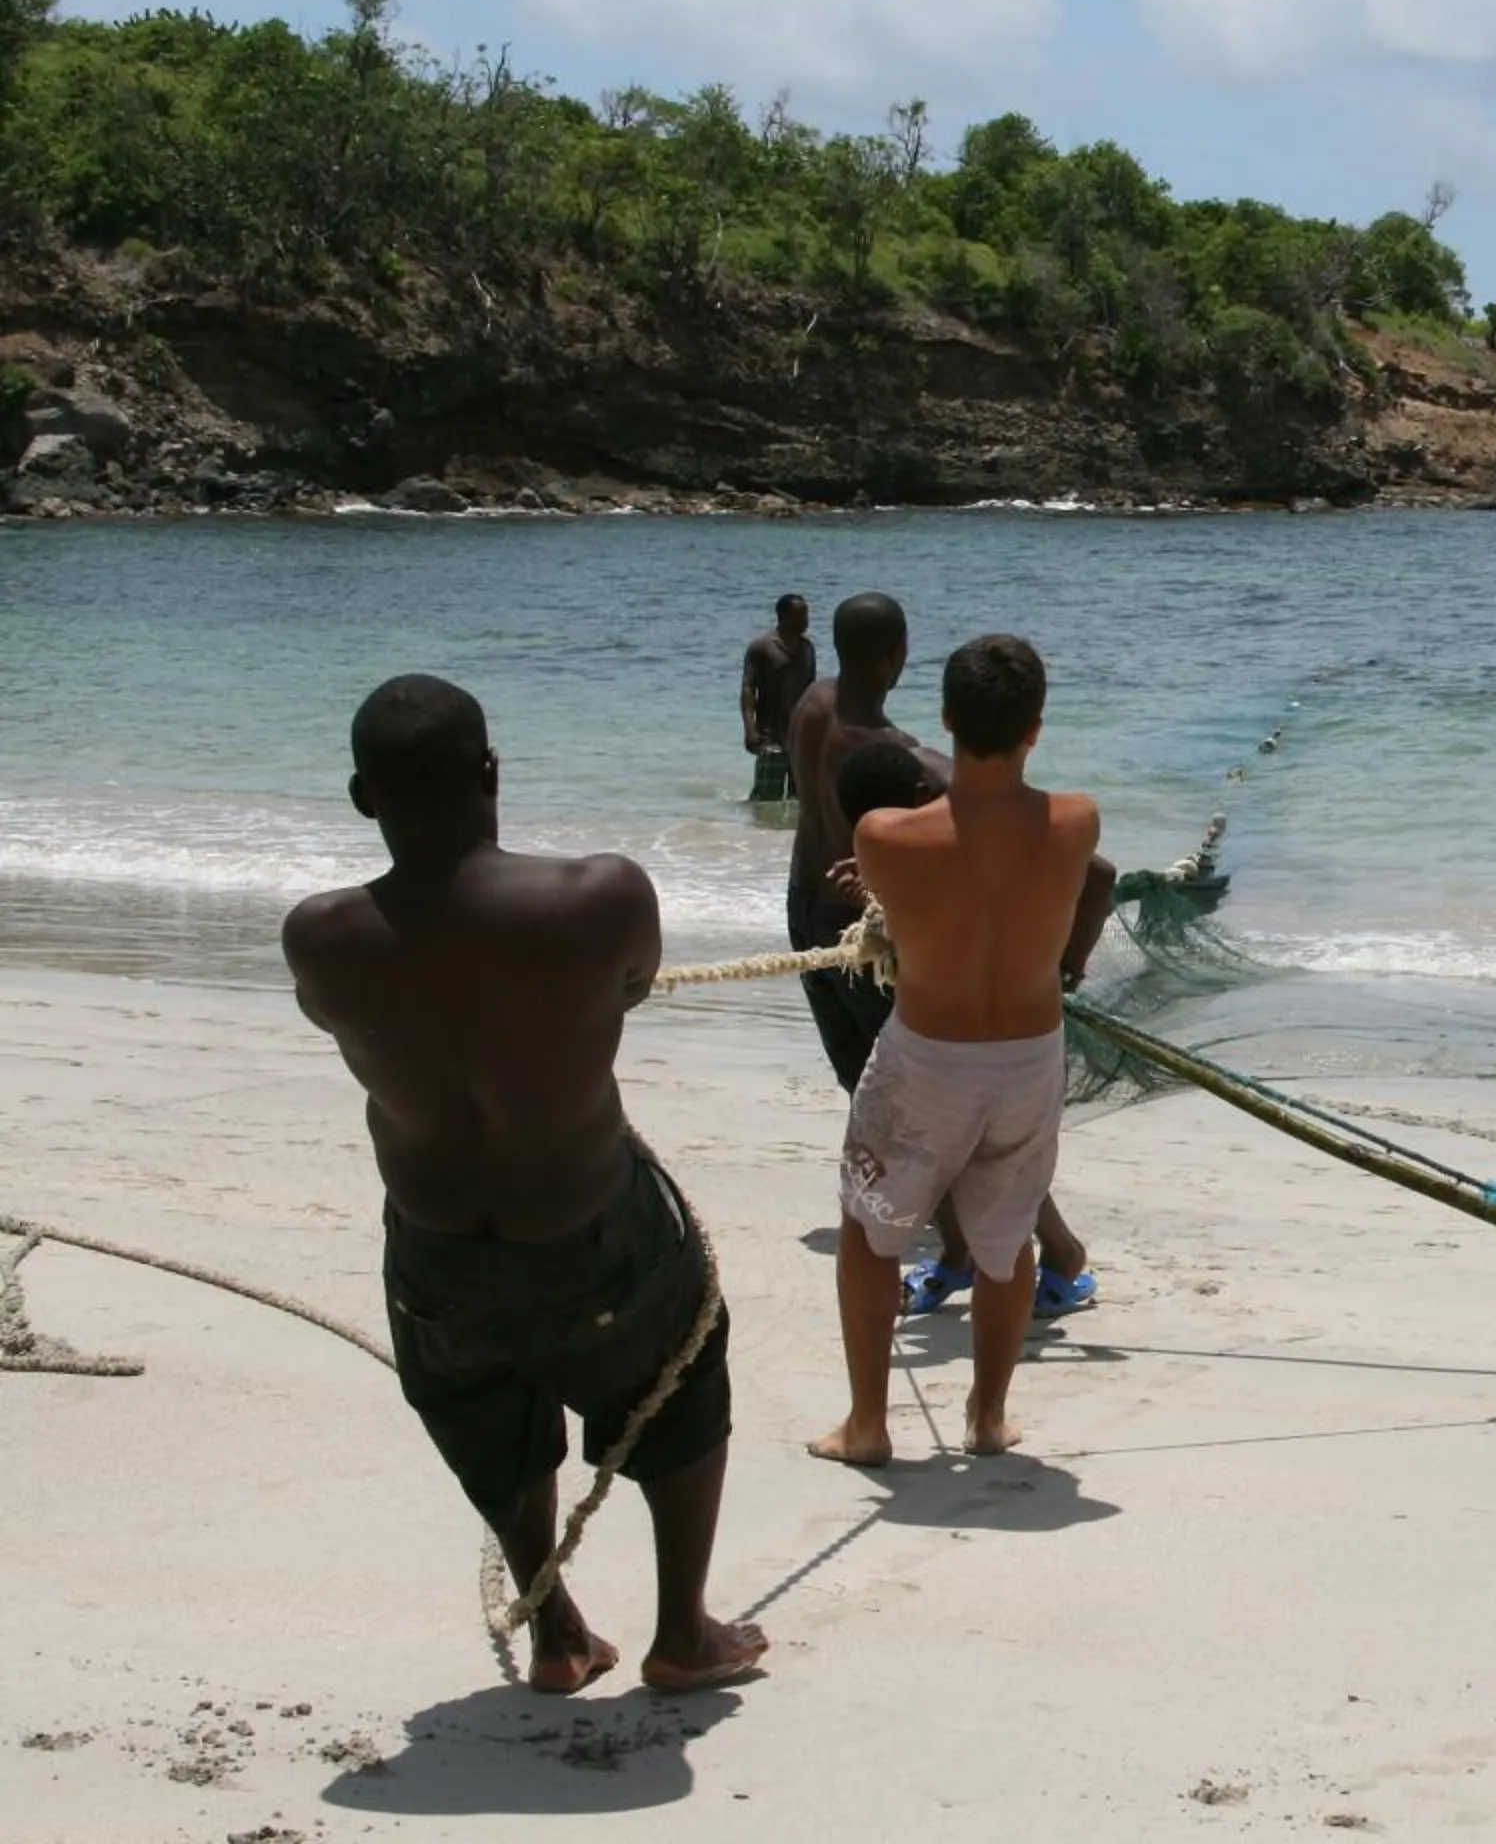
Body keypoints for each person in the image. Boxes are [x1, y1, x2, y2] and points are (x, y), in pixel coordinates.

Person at [280, 676, 764, 1694]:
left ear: (364, 798)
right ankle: (684, 1630)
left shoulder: (320, 936)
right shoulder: (602, 897)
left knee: (482, 1410)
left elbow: (352, 1016)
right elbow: (632, 983)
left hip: (434, 1240)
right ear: (492, 772)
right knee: (683, 1366)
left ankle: (556, 1631)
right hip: (588, 1218)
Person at [811, 635, 1115, 1466]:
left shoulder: (885, 835)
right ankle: (987, 1417)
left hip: (928, 1059)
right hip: (1029, 1056)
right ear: (1037, 729)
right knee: (1005, 1235)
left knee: (870, 1232)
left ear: (944, 719)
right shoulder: (1077, 820)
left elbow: (902, 907)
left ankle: (869, 1425)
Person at [785, 594, 1100, 1319]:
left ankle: (1015, 1249)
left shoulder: (810, 703)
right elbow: (1027, 845)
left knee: (920, 1107)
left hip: (813, 916)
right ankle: (989, 1251)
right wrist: (1063, 961)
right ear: (898, 656)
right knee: (945, 1113)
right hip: (876, 942)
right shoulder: (906, 758)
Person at [740, 594, 815, 804]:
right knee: (766, 798)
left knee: (799, 800)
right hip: (769, 735)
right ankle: (756, 833)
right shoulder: (762, 646)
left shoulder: (807, 648)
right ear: (783, 616)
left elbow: (812, 690)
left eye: (807, 615)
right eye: (800, 616)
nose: (806, 621)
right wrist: (750, 728)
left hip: (799, 734)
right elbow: (748, 688)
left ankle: (787, 837)